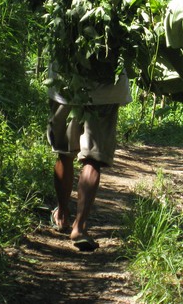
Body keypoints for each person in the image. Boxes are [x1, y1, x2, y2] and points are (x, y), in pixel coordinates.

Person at [47, 66, 132, 251]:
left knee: (64, 153)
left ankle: (61, 214)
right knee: (93, 158)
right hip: (106, 90)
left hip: (66, 84)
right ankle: (80, 227)